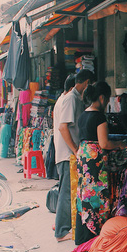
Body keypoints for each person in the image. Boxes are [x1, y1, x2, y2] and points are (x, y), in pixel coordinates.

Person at [75, 81, 126, 244]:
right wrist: (119, 145)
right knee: (96, 192)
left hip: (83, 155)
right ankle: (96, 233)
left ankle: (84, 233)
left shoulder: (83, 115)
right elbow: (104, 143)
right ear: (102, 98)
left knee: (84, 193)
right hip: (94, 160)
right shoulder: (99, 116)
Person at [53, 70, 92, 242]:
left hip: (66, 152)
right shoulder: (70, 98)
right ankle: (61, 231)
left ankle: (63, 227)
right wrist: (75, 150)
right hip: (67, 153)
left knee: (67, 191)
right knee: (67, 192)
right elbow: (63, 127)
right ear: (87, 83)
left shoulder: (68, 98)